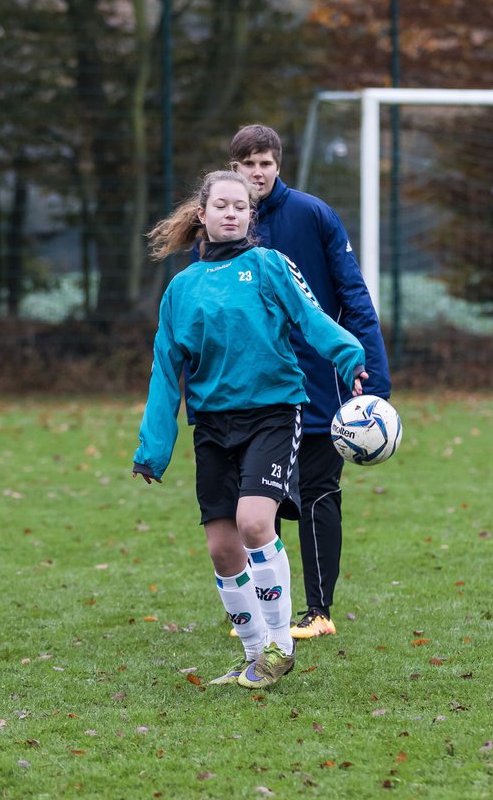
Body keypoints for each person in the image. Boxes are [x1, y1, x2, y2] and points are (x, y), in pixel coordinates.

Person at [132, 170, 367, 689]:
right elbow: (165, 371)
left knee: (255, 524)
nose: (232, 213)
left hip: (274, 414)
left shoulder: (267, 265)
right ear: (203, 214)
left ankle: (281, 643)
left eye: (241, 206)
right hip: (213, 424)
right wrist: (153, 448)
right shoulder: (181, 288)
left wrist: (349, 354)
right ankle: (254, 653)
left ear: (250, 216)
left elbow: (310, 316)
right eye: (222, 205)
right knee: (221, 548)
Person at [227, 124, 391, 641]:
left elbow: (353, 295)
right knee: (256, 495)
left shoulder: (312, 214)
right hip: (249, 386)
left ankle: (318, 611)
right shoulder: (221, 223)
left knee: (318, 492)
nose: (258, 172)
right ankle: (260, 607)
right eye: (248, 163)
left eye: (266, 162)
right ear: (234, 168)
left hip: (318, 381)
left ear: (279, 165)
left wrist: (375, 380)